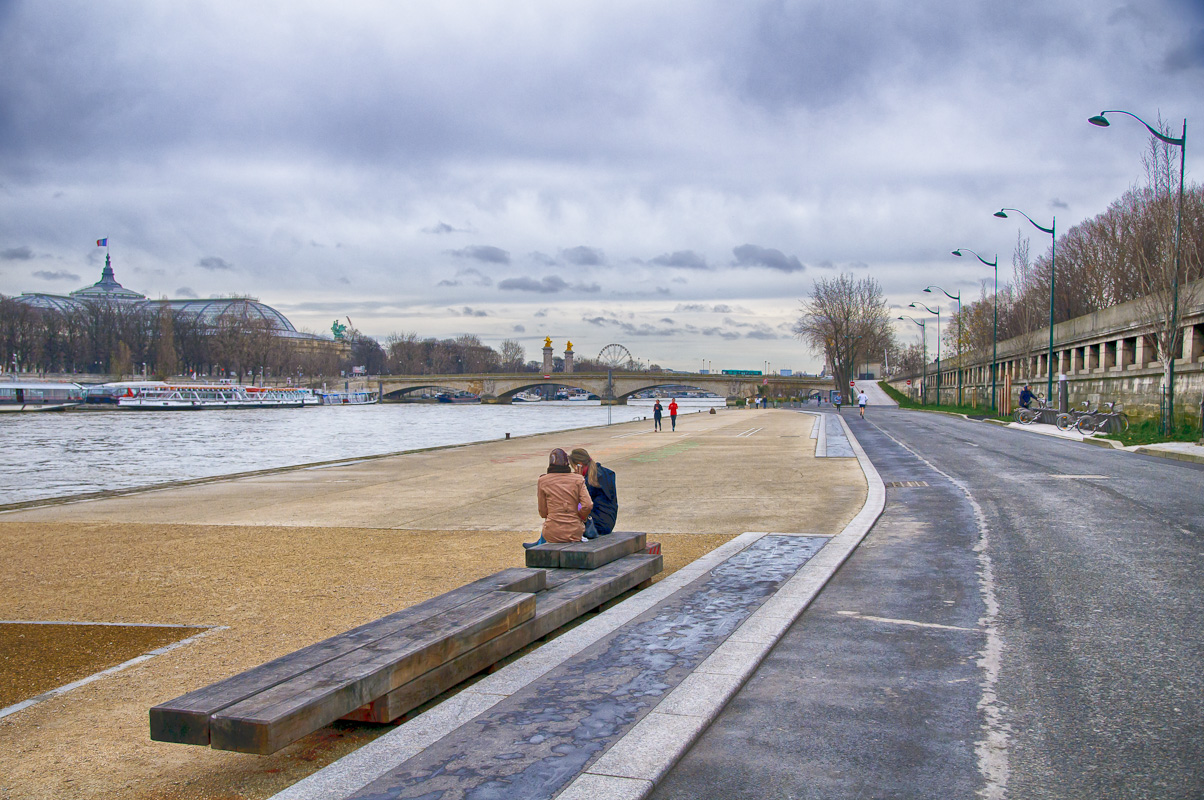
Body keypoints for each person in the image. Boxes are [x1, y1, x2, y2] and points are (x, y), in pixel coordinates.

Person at [525, 448, 592, 549]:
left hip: (552, 532)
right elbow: (587, 505)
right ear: (567, 463)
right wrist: (580, 516)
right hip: (575, 531)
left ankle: (538, 546)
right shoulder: (578, 479)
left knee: (549, 528)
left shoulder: (543, 481)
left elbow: (543, 512)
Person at [569, 448, 617, 538]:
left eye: (574, 467)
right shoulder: (605, 473)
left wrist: (579, 481)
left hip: (596, 526)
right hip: (609, 522)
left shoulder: (588, 482)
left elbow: (581, 505)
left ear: (580, 464)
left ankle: (543, 541)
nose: (574, 470)